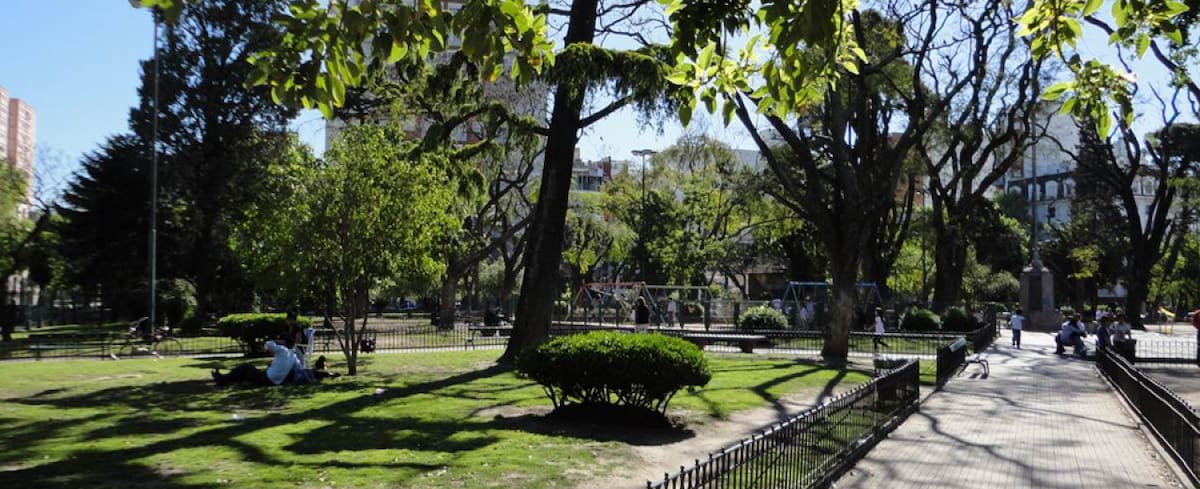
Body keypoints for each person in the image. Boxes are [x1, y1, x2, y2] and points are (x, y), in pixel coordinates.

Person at [212, 340, 299, 387]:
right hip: (275, 381)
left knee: (246, 367)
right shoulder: (293, 356)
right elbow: (299, 368)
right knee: (247, 372)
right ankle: (226, 380)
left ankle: (223, 379)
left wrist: (278, 341)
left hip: (267, 379)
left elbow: (269, 343)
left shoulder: (282, 350)